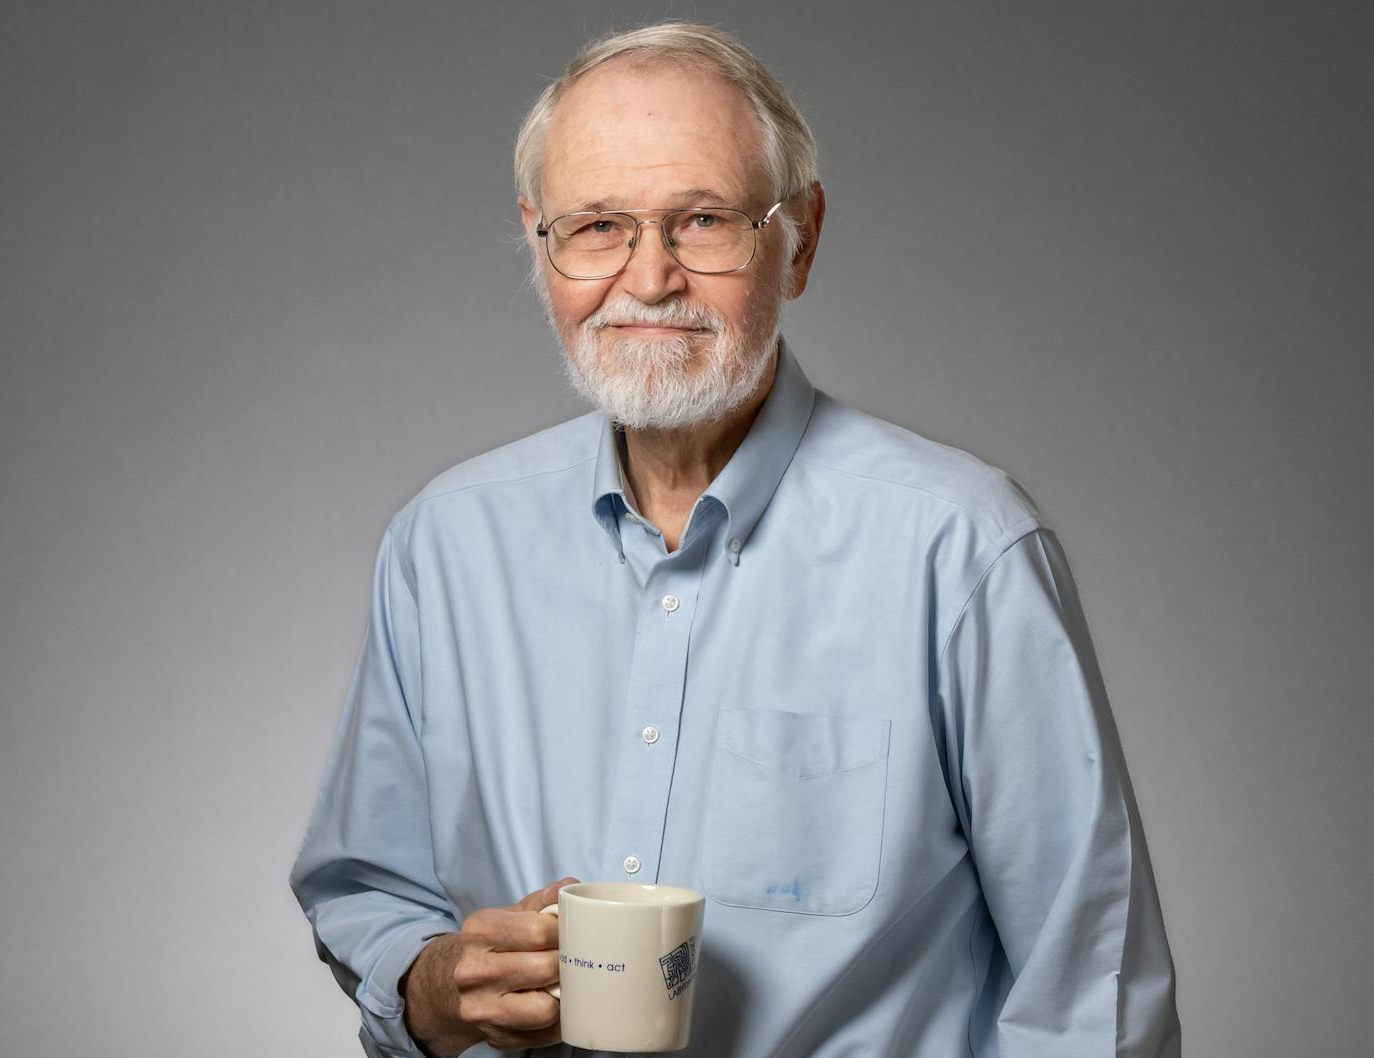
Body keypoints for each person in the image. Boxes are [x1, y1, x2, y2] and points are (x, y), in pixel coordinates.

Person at [289, 21, 1181, 1058]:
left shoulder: (963, 550)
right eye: (596, 228)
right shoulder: (441, 546)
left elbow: (1090, 995)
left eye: (702, 220)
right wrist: (431, 985)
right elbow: (364, 885)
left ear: (798, 237)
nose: (649, 278)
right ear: (539, 242)